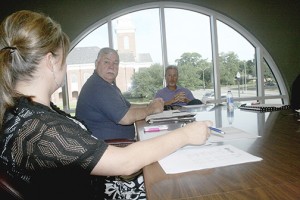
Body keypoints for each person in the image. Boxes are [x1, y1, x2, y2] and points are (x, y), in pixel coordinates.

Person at [0, 10, 212, 200]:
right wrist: (186, 135)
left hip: (102, 172)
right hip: (103, 188)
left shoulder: (25, 113)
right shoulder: (42, 128)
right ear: (50, 62)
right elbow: (125, 164)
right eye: (65, 56)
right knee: (179, 185)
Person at [76, 47, 164, 141]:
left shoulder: (107, 84)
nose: (111, 66)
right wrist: (151, 109)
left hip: (116, 144)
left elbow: (129, 107)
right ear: (96, 63)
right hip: (110, 147)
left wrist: (150, 104)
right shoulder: (98, 87)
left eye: (115, 63)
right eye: (106, 62)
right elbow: (125, 118)